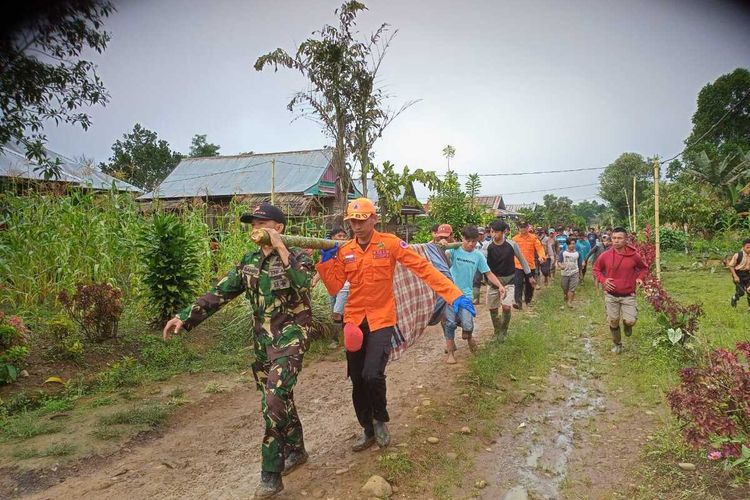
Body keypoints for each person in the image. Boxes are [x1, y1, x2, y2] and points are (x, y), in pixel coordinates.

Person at [162, 203, 312, 498]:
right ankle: (297, 449)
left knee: (274, 398)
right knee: (279, 400)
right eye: (252, 224)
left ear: (278, 227)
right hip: (263, 342)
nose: (255, 228)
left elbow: (303, 284)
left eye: (262, 222)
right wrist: (184, 316)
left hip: (291, 337)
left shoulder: (298, 257)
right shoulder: (249, 261)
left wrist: (282, 249)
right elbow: (220, 293)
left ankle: (270, 472)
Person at [316, 198, 472, 452]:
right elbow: (335, 287)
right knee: (356, 378)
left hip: (382, 319)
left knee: (372, 374)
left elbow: (423, 268)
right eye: (352, 221)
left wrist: (452, 294)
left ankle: (380, 421)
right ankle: (366, 428)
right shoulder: (345, 251)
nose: (356, 225)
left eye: (362, 220)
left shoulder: (389, 244)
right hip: (354, 320)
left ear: (374, 219)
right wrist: (326, 262)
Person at [444, 225, 506, 362]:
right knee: (449, 324)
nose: (471, 244)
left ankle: (469, 337)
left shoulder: (477, 255)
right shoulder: (454, 250)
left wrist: (500, 286)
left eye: (474, 241)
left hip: (466, 295)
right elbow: (437, 251)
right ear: (462, 238)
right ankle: (450, 354)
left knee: (468, 325)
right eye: (468, 241)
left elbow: (488, 273)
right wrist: (443, 244)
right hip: (450, 293)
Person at [592, 227, 648, 354]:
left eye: (619, 238)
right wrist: (603, 280)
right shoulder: (605, 255)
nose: (616, 241)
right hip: (611, 295)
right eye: (614, 238)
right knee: (613, 321)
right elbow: (596, 269)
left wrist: (640, 278)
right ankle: (617, 344)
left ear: (626, 239)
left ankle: (627, 325)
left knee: (630, 320)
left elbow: (644, 268)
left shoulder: (634, 256)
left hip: (628, 295)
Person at [486, 220, 532, 342]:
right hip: (493, 282)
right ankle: (496, 330)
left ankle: (503, 332)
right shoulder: (487, 246)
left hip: (509, 281)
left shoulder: (512, 245)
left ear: (504, 232)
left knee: (506, 307)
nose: (493, 234)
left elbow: (522, 260)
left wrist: (529, 275)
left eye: (496, 232)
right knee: (493, 308)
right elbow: (481, 262)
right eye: (491, 232)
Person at [327, 227, 351, 346]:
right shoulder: (329, 251)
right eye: (338, 236)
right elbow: (323, 266)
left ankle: (335, 340)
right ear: (332, 238)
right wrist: (315, 281)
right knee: (335, 314)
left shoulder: (348, 251)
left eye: (343, 236)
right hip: (332, 287)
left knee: (337, 312)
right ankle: (343, 337)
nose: (341, 238)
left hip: (345, 287)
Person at [512, 221, 544, 309]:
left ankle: (528, 300)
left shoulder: (533, 238)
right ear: (518, 228)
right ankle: (518, 302)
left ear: (527, 227)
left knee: (530, 285)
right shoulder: (515, 239)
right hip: (518, 265)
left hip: (530, 266)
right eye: (521, 227)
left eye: (524, 227)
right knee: (518, 284)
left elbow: (540, 248)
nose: (523, 229)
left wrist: (541, 257)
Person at [557, 238, 580, 308]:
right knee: (564, 287)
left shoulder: (577, 253)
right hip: (565, 273)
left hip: (575, 272)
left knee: (572, 288)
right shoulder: (563, 253)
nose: (572, 245)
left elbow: (579, 263)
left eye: (574, 244)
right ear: (567, 244)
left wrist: (581, 273)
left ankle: (569, 302)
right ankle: (566, 295)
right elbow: (559, 261)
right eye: (571, 244)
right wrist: (561, 266)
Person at [729, 238, 750, 310]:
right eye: (747, 247)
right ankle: (734, 298)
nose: (749, 249)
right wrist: (735, 276)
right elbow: (731, 266)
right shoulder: (738, 255)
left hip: (747, 274)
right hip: (738, 274)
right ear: (743, 247)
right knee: (741, 292)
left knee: (749, 290)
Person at [472, 227, 489, 304]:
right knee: (476, 281)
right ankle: (476, 298)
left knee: (490, 281)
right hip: (477, 264)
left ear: (484, 234)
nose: (480, 236)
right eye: (478, 234)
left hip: (487, 264)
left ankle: (490, 299)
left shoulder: (488, 243)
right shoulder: (473, 243)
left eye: (481, 234)